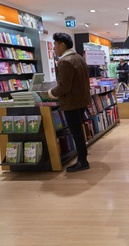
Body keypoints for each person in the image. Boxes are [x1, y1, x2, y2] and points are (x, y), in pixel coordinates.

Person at [47, 33, 91, 172]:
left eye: (55, 45)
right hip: (81, 100)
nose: (54, 48)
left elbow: (64, 87)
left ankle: (82, 160)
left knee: (76, 132)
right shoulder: (79, 58)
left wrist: (50, 93)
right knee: (78, 131)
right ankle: (82, 158)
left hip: (72, 102)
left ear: (62, 45)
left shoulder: (65, 61)